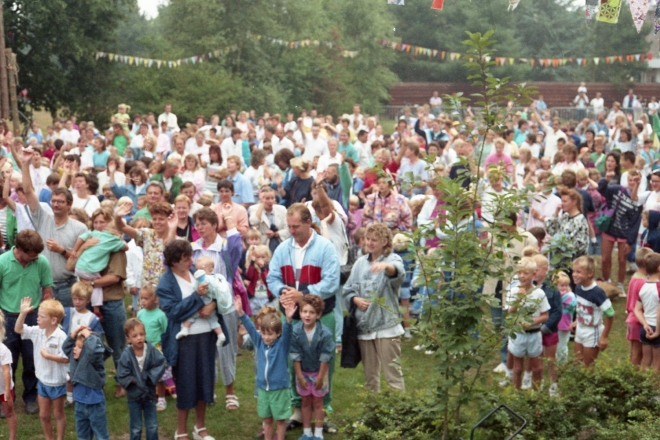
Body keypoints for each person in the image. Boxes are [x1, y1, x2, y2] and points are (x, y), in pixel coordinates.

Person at [267, 203, 340, 429]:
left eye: (296, 226)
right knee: (292, 361)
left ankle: (323, 411)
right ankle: (298, 409)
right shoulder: (282, 249)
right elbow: (272, 278)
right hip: (292, 317)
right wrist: (283, 292)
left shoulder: (325, 248)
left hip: (321, 314)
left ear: (309, 223)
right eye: (289, 226)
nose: (292, 230)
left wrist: (304, 295)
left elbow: (331, 282)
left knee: (323, 362)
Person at [157, 240, 227, 440]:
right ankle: (181, 430)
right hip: (184, 341)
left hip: (206, 336)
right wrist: (196, 298)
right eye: (185, 258)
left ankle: (200, 428)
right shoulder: (166, 283)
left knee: (205, 381)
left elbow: (217, 293)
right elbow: (173, 312)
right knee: (186, 384)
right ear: (173, 262)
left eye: (190, 256)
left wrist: (212, 305)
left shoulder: (198, 273)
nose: (191, 260)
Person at [20, 149, 87, 309]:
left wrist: (62, 251)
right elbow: (28, 192)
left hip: (66, 286)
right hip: (42, 285)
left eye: (60, 202)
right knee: (43, 327)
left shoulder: (80, 228)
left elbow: (82, 262)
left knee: (65, 327)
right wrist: (25, 164)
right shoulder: (43, 218)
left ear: (69, 205)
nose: (55, 204)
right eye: (53, 201)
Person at [343, 223, 406, 392]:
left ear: (385, 241)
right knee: (370, 378)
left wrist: (386, 267)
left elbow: (397, 273)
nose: (370, 243)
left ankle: (400, 415)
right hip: (364, 327)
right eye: (368, 239)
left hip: (387, 327)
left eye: (374, 240)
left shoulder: (393, 259)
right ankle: (373, 413)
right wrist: (355, 299)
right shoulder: (359, 263)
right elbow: (347, 290)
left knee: (393, 375)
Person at [191, 207, 242, 411]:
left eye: (204, 223)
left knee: (227, 347)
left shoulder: (224, 246)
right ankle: (207, 389)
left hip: (225, 305)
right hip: (202, 307)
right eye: (198, 224)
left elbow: (237, 245)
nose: (200, 227)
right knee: (205, 348)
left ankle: (230, 391)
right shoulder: (194, 249)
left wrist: (228, 219)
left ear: (214, 224)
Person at [0, 229, 53, 415]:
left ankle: (31, 397)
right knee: (7, 360)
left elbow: (47, 289)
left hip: (32, 317)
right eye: (32, 255)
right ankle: (7, 397)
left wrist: (46, 309)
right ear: (19, 249)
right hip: (7, 317)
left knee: (32, 359)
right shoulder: (2, 262)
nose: (36, 257)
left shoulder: (41, 262)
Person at [235, 294, 296, 440]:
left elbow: (287, 333)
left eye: (270, 334)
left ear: (278, 333)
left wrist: (288, 319)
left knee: (281, 421)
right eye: (263, 333)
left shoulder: (282, 345)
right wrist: (241, 313)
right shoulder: (260, 342)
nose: (266, 337)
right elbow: (250, 328)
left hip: (279, 389)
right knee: (267, 420)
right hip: (263, 389)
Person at [14, 298, 67, 440]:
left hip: (57, 382)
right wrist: (23, 313)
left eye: (41, 317)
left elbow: (65, 359)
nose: (37, 319)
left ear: (53, 320)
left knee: (58, 414)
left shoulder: (61, 337)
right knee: (43, 415)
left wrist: (48, 356)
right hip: (42, 381)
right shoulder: (38, 331)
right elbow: (18, 329)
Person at [290, 294, 334, 440]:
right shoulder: (296, 331)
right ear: (300, 312)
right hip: (302, 372)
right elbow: (295, 355)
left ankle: (319, 434)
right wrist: (300, 377)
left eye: (311, 312)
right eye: (304, 311)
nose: (307, 315)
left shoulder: (325, 333)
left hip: (319, 372)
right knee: (305, 401)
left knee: (318, 402)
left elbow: (326, 356)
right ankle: (307, 432)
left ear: (319, 314)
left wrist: (321, 377)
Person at [70, 208, 128, 318]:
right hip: (87, 300)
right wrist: (82, 248)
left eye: (102, 222)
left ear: (111, 224)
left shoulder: (114, 246)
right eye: (95, 222)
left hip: (110, 301)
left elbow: (114, 277)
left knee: (115, 335)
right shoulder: (90, 240)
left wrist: (90, 283)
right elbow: (69, 266)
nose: (98, 226)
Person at [116, 318, 167, 440]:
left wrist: (148, 377)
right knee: (136, 427)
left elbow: (161, 364)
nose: (139, 338)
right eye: (134, 336)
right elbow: (122, 374)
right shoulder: (126, 355)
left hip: (149, 395)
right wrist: (135, 380)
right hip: (134, 396)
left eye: (141, 334)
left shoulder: (151, 351)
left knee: (152, 426)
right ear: (128, 339)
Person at [506, 258, 550, 390]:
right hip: (518, 334)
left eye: (525, 273)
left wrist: (531, 322)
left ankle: (535, 396)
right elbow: (509, 313)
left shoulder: (539, 293)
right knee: (518, 368)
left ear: (533, 275)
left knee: (537, 368)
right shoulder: (514, 291)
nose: (522, 276)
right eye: (519, 273)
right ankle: (516, 395)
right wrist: (518, 300)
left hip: (534, 334)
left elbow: (545, 315)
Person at [62, 326, 111, 440]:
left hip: (95, 404)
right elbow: (66, 347)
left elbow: (94, 350)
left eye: (79, 347)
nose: (74, 349)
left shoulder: (93, 359)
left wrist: (88, 336)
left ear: (86, 350)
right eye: (75, 346)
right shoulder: (74, 360)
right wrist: (75, 332)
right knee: (83, 436)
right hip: (79, 404)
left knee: (101, 436)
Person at [175, 256, 232, 347]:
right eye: (196, 269)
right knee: (213, 321)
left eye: (201, 269)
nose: (197, 272)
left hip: (204, 304)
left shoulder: (210, 279)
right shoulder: (212, 278)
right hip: (207, 305)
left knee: (192, 314)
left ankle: (185, 328)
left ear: (210, 270)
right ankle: (220, 335)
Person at [571, 256, 615, 367]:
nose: (574, 274)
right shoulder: (578, 287)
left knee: (587, 366)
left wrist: (604, 337)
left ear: (590, 273)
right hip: (580, 328)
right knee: (577, 361)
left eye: (579, 272)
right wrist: (577, 320)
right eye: (573, 271)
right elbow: (579, 306)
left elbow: (610, 314)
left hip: (592, 331)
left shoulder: (597, 293)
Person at [136, 285, 170, 411]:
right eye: (141, 298)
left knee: (159, 376)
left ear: (156, 299)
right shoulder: (140, 314)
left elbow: (166, 331)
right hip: (142, 348)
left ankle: (161, 399)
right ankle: (147, 396)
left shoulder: (160, 315)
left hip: (156, 348)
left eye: (146, 298)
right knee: (143, 373)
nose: (143, 301)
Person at [633, 252, 660, 370]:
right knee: (657, 364)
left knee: (646, 361)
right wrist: (657, 332)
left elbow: (637, 309)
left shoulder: (644, 286)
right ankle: (654, 388)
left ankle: (643, 387)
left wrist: (644, 324)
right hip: (657, 328)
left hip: (645, 328)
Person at [626, 248, 652, 366]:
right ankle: (633, 378)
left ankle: (630, 375)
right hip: (638, 320)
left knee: (634, 351)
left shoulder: (635, 277)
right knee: (638, 353)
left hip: (632, 317)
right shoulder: (644, 282)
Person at [0, 310, 17, 440]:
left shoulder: (4, 350)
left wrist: (7, 391)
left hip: (4, 388)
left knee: (9, 412)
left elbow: (6, 371)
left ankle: (12, 437)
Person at [555, 272, 576, 367]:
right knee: (555, 345)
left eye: (566, 285)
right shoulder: (555, 295)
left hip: (564, 325)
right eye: (561, 285)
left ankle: (562, 363)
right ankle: (556, 362)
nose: (564, 288)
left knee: (562, 345)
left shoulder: (570, 296)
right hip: (555, 324)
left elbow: (565, 302)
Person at [245, 245, 274, 312]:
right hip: (255, 297)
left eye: (263, 257)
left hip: (267, 297)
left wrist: (262, 268)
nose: (260, 259)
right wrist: (252, 262)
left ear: (267, 257)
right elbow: (248, 276)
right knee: (256, 317)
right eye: (258, 257)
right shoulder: (252, 267)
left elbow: (267, 279)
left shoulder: (269, 267)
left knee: (268, 316)